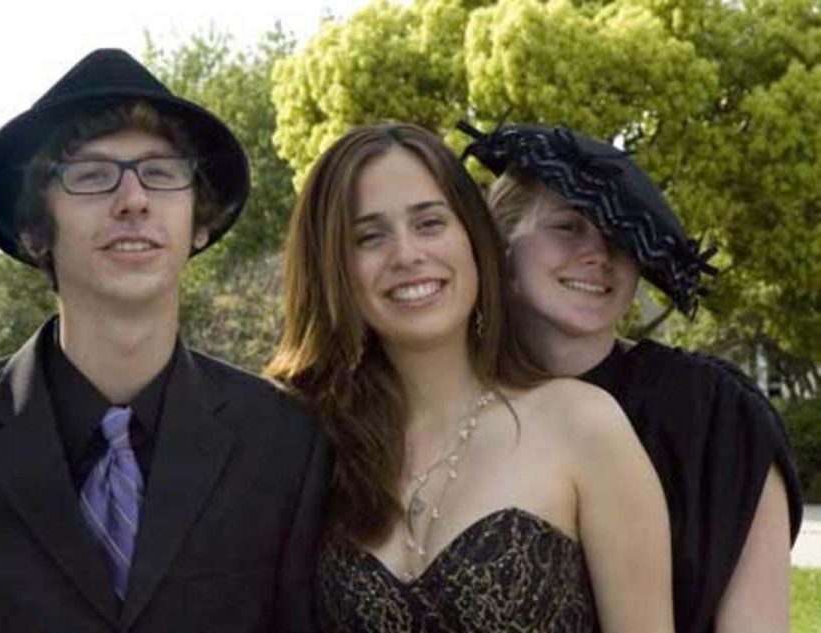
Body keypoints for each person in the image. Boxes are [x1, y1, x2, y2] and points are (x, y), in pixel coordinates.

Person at [0, 49, 328, 632]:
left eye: (161, 173)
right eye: (90, 175)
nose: (133, 200)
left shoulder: (285, 441)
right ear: (35, 229)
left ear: (200, 221)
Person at [266, 122, 675, 632]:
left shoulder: (582, 425)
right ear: (333, 269)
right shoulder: (308, 444)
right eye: (369, 237)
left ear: (474, 239)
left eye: (430, 223)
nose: (407, 254)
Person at [460, 121, 804, 632]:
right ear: (502, 248)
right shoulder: (448, 405)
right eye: (568, 225)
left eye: (620, 235)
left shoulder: (714, 416)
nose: (599, 254)